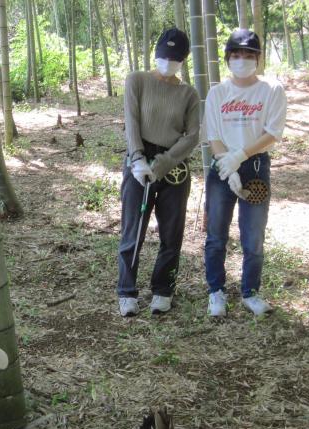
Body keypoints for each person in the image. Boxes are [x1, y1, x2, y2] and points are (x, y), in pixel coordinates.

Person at [203, 29, 287, 317]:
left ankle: (250, 291)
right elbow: (213, 134)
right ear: (227, 59)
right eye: (236, 55)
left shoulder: (271, 90)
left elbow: (273, 132)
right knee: (216, 234)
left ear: (257, 59)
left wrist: (241, 156)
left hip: (255, 168)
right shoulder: (217, 93)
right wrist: (227, 166)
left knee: (253, 235)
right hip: (222, 168)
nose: (241, 60)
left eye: (248, 55)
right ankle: (216, 291)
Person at [117, 28, 200, 317]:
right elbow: (131, 119)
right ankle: (126, 291)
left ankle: (163, 289)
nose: (169, 62)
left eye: (175, 58)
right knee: (133, 230)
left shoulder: (188, 93)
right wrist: (138, 159)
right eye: (165, 56)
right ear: (156, 54)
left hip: (174, 167)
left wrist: (162, 164)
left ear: (184, 60)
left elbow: (191, 136)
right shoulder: (136, 80)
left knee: (171, 231)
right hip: (138, 162)